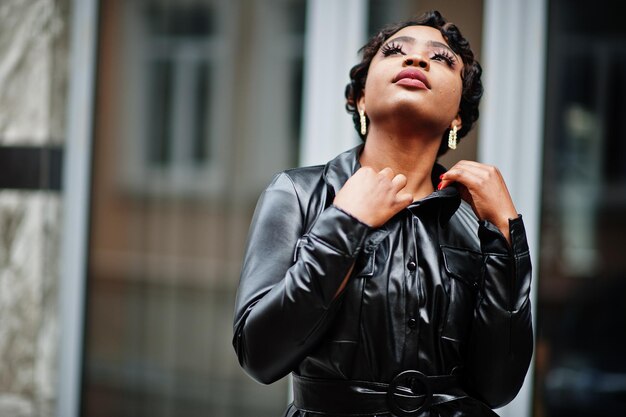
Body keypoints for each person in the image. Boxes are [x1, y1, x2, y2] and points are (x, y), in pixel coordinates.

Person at [232, 10, 533, 417]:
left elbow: (497, 388)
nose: (417, 60)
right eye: (395, 52)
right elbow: (260, 355)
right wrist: (344, 225)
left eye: (441, 59)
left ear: (458, 116)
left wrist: (506, 234)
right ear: (359, 98)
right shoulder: (298, 193)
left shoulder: (473, 221)